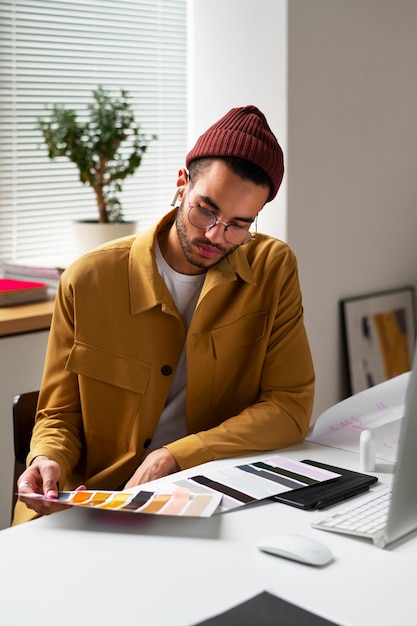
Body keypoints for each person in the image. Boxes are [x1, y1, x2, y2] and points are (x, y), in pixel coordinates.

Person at [14, 105, 315, 524]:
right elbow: (59, 415)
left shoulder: (273, 269)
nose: (215, 235)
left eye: (238, 225)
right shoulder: (89, 279)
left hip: (206, 497)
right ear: (181, 184)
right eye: (206, 210)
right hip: (91, 502)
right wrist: (47, 457)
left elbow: (289, 408)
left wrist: (175, 456)